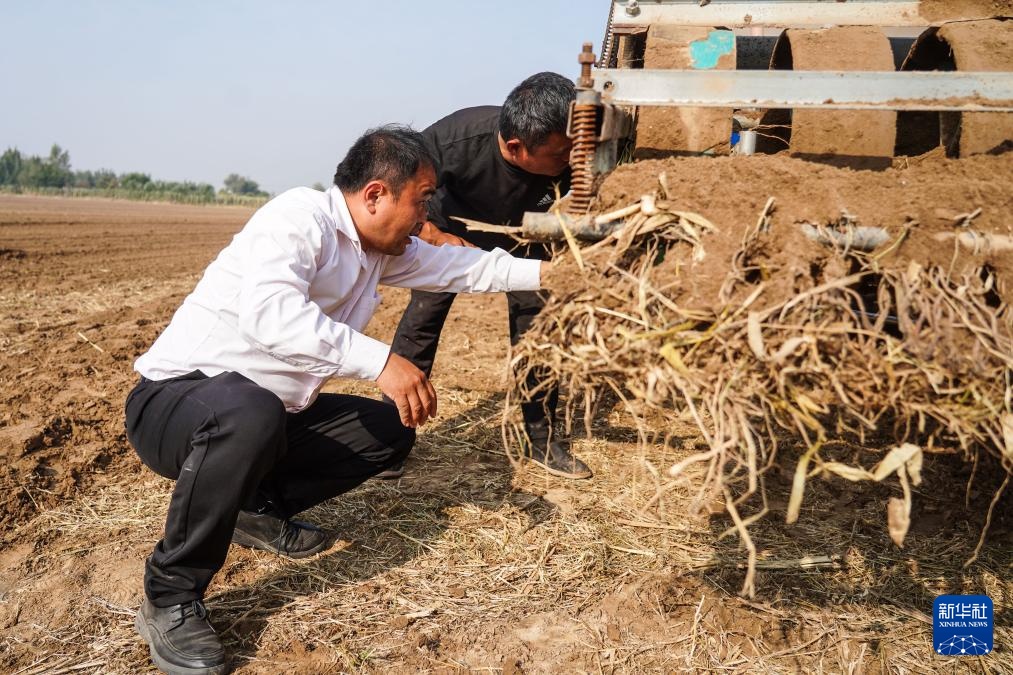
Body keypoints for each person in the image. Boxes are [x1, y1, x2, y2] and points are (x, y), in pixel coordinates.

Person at [125, 125, 548, 675]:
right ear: (375, 194)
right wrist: (382, 363)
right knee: (249, 409)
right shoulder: (299, 219)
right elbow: (270, 315)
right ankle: (170, 594)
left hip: (261, 417)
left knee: (388, 430)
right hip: (176, 403)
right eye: (420, 203)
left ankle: (252, 508)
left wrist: (558, 274)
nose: (425, 221)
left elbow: (467, 268)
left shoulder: (379, 250)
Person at [383, 71, 592, 481]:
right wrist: (432, 234)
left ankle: (541, 438)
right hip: (450, 234)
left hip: (527, 232)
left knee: (537, 327)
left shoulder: (572, 146)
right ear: (515, 147)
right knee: (422, 319)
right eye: (558, 155)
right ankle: (390, 439)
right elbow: (404, 192)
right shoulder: (453, 139)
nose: (568, 161)